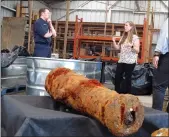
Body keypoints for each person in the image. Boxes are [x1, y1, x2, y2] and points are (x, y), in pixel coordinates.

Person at [112, 21, 140, 94]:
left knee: (128, 78)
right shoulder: (123, 37)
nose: (125, 26)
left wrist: (131, 46)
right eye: (124, 25)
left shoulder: (135, 37)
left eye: (126, 25)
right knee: (117, 76)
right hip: (122, 60)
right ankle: (117, 93)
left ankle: (128, 94)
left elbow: (137, 50)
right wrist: (114, 42)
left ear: (131, 27)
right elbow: (117, 48)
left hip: (130, 61)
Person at [152, 18, 169, 112]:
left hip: (167, 57)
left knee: (159, 87)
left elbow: (164, 36)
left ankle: (156, 118)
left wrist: (157, 53)